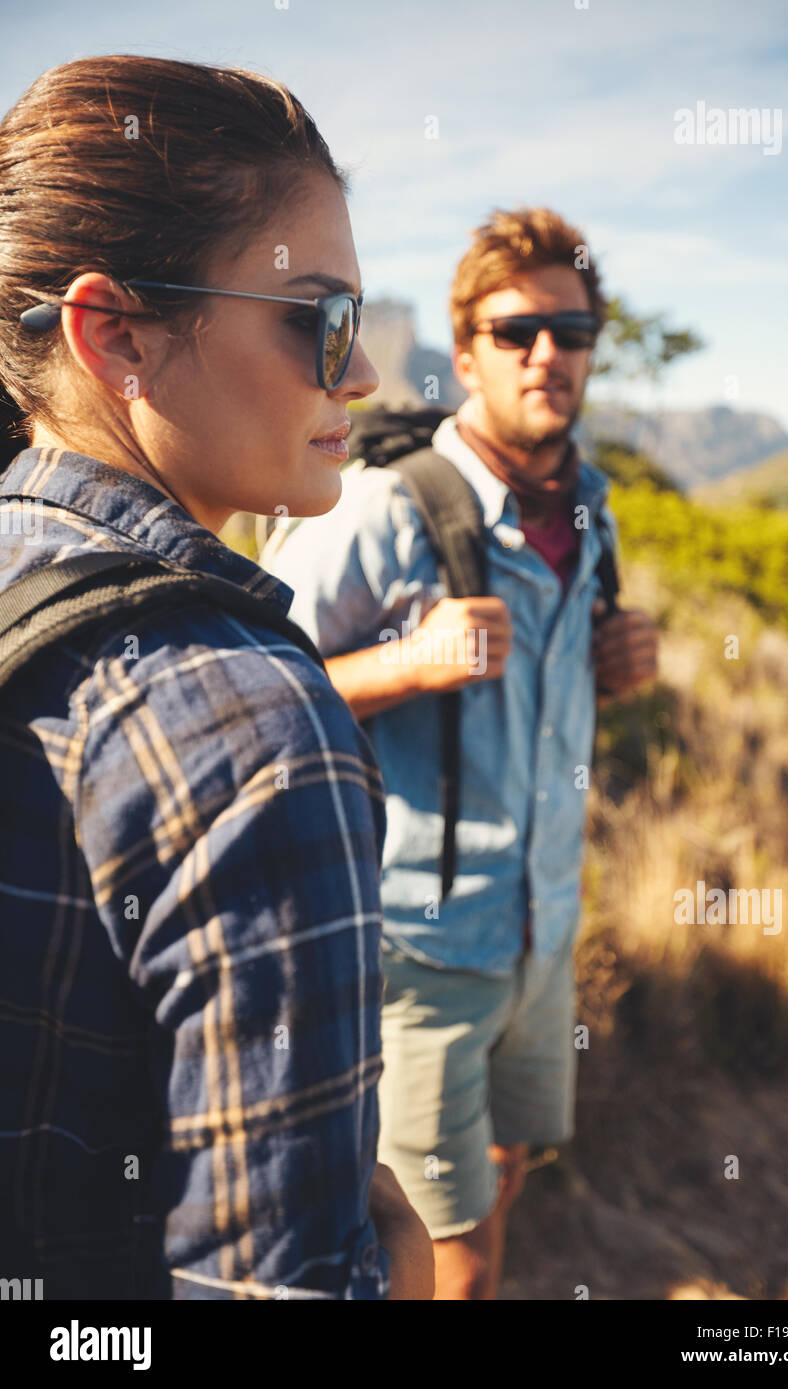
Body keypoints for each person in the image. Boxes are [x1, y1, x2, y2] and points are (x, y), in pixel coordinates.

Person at [0, 55, 432, 1301]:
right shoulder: (251, 726)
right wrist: (399, 1272)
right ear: (114, 334)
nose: (357, 376)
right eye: (319, 321)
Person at [261, 206, 658, 1299]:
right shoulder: (381, 506)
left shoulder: (591, 508)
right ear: (466, 345)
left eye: (571, 332)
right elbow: (250, 697)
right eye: (515, 329)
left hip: (541, 931)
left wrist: (612, 668)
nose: (547, 354)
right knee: (445, 1262)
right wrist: (402, 665)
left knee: (502, 1172)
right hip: (418, 958)